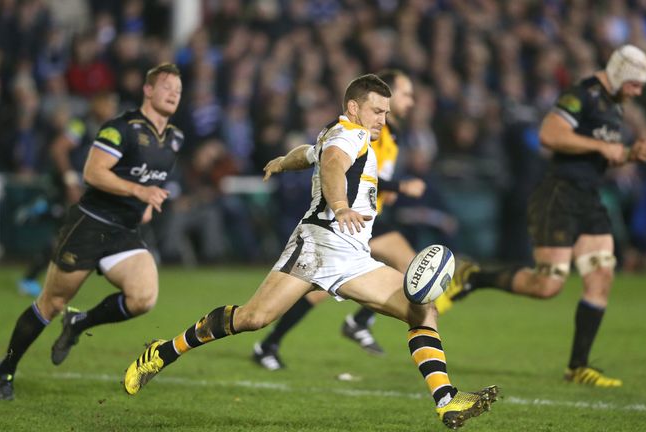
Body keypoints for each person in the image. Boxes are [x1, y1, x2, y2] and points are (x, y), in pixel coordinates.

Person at [122, 74, 498, 429]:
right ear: (354, 107)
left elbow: (311, 153)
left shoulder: (339, 133)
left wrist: (283, 162)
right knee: (252, 318)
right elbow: (333, 163)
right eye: (377, 111)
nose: (384, 118)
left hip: (352, 255)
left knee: (422, 309)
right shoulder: (350, 136)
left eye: (386, 111)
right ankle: (164, 351)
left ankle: (446, 398)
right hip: (316, 247)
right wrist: (339, 205)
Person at [435, 45, 646, 388]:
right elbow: (549, 135)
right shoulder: (580, 95)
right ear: (621, 74)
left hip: (589, 200)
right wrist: (603, 148)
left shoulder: (613, 107)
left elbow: (598, 154)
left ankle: (577, 367)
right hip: (559, 196)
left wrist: (627, 155)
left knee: (601, 281)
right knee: (547, 285)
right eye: (636, 84)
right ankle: (474, 277)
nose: (638, 92)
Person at [0, 63, 184, 401]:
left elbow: (153, 177)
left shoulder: (175, 139)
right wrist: (139, 193)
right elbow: (93, 173)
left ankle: (79, 324)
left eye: (178, 89)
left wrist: (148, 203)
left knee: (143, 299)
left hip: (125, 231)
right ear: (148, 90)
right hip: (91, 223)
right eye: (166, 86)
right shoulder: (120, 128)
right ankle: (3, 370)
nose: (173, 93)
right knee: (53, 302)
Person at [252, 69, 426, 370]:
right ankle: (356, 322)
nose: (410, 101)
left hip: (361, 222)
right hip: (347, 223)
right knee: (411, 271)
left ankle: (274, 341)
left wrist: (283, 162)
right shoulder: (362, 132)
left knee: (319, 290)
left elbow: (318, 155)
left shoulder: (386, 135)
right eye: (405, 94)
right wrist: (395, 188)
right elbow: (335, 164)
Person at [17, 92, 119, 297]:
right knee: (67, 236)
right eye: (107, 103)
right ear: (96, 104)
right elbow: (58, 149)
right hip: (67, 187)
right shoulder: (80, 125)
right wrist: (70, 181)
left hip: (85, 190)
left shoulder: (106, 130)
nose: (111, 109)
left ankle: (45, 211)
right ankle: (31, 278)